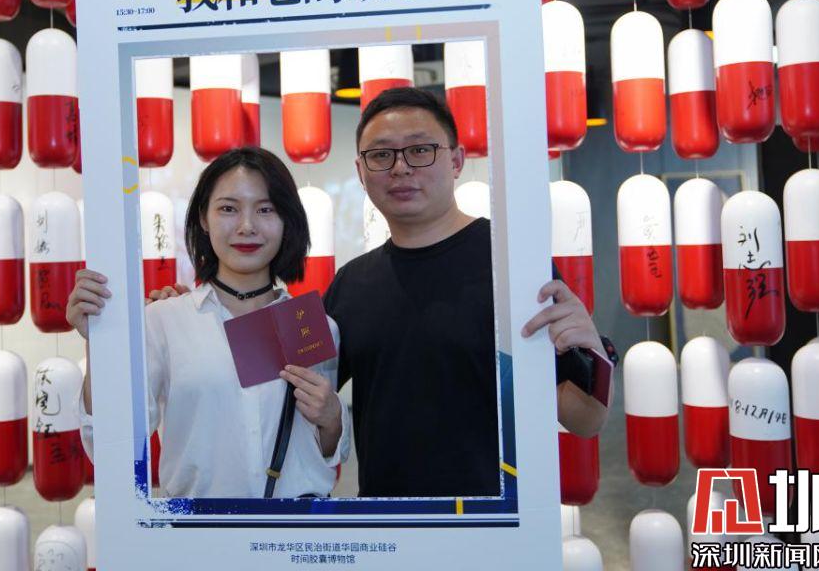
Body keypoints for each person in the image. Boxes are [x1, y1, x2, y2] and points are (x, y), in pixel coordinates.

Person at [324, 87, 611, 498]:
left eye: (420, 150)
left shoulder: (514, 267)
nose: (401, 168)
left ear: (456, 160)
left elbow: (585, 419)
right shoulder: (352, 283)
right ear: (361, 170)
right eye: (381, 154)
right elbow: (300, 398)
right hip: (388, 521)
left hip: (497, 520)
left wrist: (592, 347)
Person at [67, 147, 351, 498]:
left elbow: (324, 452)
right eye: (228, 209)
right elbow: (112, 447)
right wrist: (99, 340)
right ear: (203, 217)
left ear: (286, 220)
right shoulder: (163, 321)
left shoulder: (314, 326)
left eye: (265, 209)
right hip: (198, 528)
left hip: (295, 526)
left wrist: (332, 417)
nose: (247, 226)